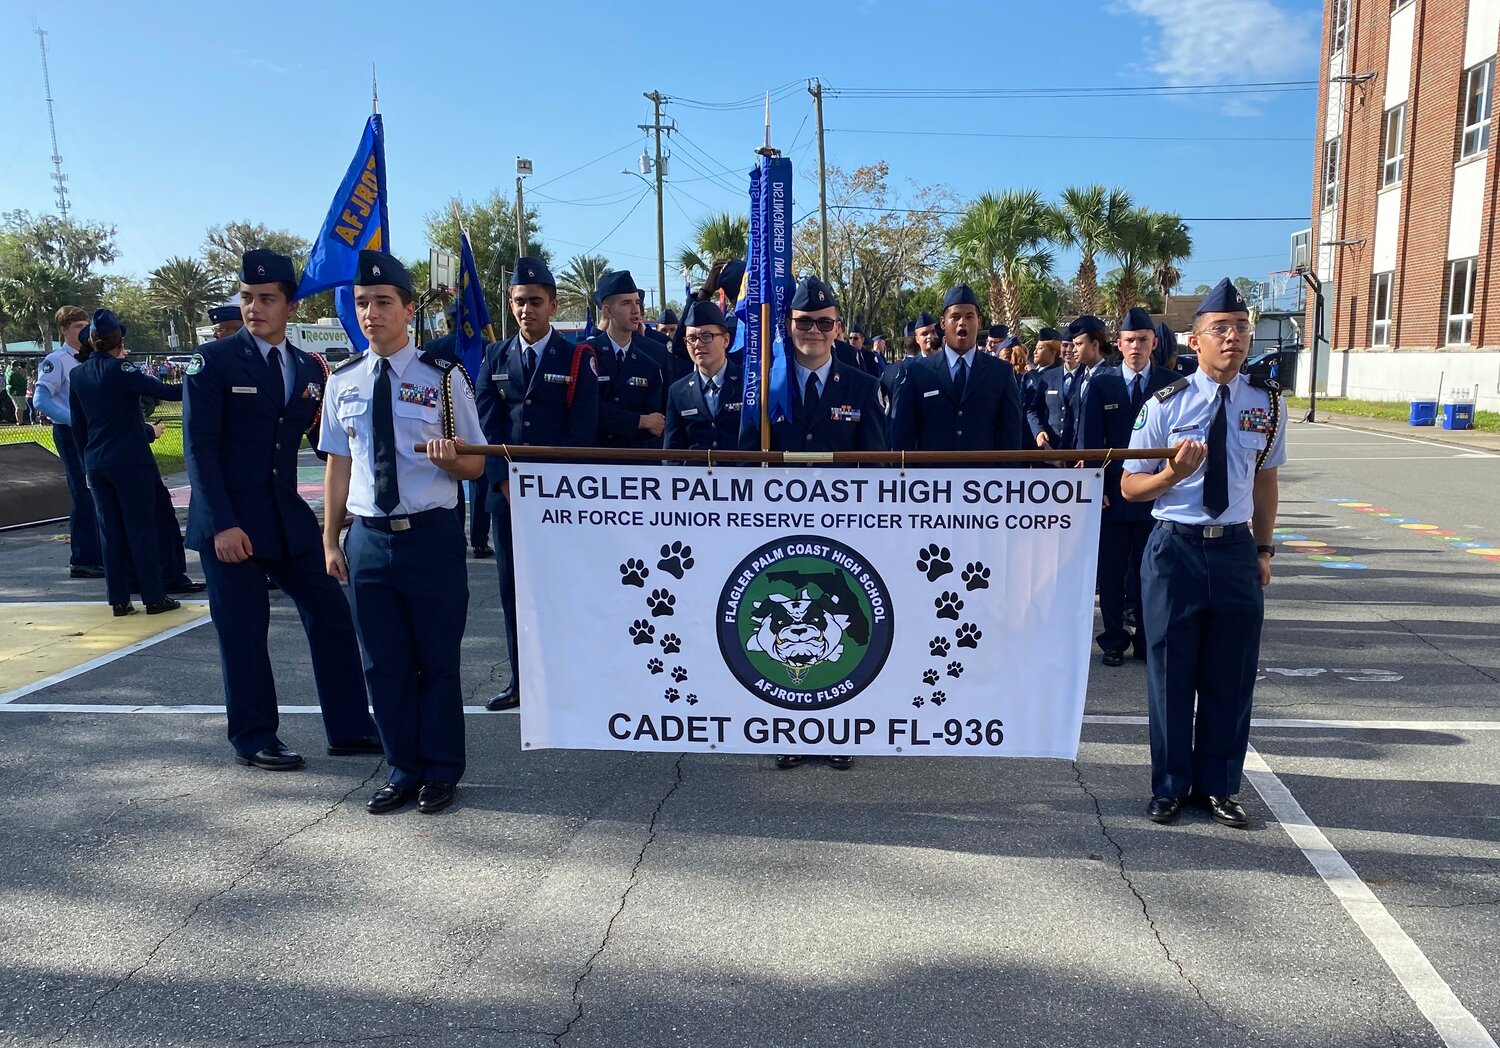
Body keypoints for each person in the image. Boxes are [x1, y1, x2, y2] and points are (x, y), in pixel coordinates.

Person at [184, 249, 379, 772]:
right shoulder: (214, 363)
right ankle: (254, 735)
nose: (253, 308)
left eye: (266, 299)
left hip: (285, 518)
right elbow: (198, 449)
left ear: (289, 306)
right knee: (244, 630)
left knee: (333, 613)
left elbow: (327, 444)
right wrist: (221, 523)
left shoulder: (308, 367)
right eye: (247, 297)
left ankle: (349, 725)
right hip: (229, 523)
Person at [320, 251, 486, 816]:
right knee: (382, 663)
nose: (371, 314)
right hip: (367, 537)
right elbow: (338, 463)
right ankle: (401, 768)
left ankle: (440, 771)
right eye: (362, 304)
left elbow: (476, 463)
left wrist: (451, 462)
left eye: (383, 303)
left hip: (430, 537)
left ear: (409, 310)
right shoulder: (342, 382)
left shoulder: (443, 380)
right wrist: (329, 538)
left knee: (435, 660)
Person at [1122, 279, 1286, 830]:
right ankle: (1169, 786)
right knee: (1170, 672)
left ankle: (1218, 787)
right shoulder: (1165, 404)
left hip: (1235, 550)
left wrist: (1264, 548)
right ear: (1196, 340)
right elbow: (1130, 486)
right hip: (1176, 550)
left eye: (1242, 328)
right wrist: (1173, 473)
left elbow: (1265, 481)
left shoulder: (1266, 402)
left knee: (1231, 676)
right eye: (1221, 329)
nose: (1234, 339)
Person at [743, 276, 884, 772]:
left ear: (838, 328)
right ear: (789, 324)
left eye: (824, 323)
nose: (814, 332)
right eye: (804, 322)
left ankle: (839, 730)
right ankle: (791, 729)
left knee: (838, 635)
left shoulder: (864, 386)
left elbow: (877, 462)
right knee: (785, 635)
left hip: (842, 533)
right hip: (778, 533)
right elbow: (746, 457)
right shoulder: (763, 384)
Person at [474, 257, 600, 712]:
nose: (526, 310)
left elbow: (580, 431)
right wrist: (504, 482)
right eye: (519, 302)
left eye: (535, 302)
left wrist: (550, 488)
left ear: (553, 304)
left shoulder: (577, 357)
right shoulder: (494, 357)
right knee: (513, 590)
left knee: (562, 588)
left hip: (558, 497)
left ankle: (568, 676)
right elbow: (486, 426)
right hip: (508, 498)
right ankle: (520, 679)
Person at [66, 310, 183, 617]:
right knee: (141, 529)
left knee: (110, 531)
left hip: (96, 462)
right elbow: (167, 391)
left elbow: (78, 427)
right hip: (130, 462)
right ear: (119, 340)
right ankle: (154, 596)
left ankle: (118, 598)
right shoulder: (122, 370)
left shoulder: (77, 376)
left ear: (91, 340)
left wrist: (85, 465)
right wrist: (200, 376)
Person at [1081, 307, 1180, 666]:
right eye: (1129, 340)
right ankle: (1112, 640)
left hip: (1157, 493)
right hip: (1112, 496)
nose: (1136, 346)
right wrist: (1096, 486)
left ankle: (1146, 638)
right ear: (1118, 345)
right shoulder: (1101, 384)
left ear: (1153, 343)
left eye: (1142, 339)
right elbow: (1090, 440)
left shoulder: (1171, 383)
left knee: (1150, 572)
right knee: (1110, 571)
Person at [889, 285, 1024, 454]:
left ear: (979, 322)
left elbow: (1011, 433)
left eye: (969, 316)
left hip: (983, 477)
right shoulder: (918, 371)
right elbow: (903, 433)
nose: (962, 322)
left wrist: (1005, 476)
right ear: (943, 323)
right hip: (932, 478)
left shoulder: (1000, 371)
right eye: (955, 317)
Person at [33, 306, 105, 579]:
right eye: (77, 326)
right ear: (63, 330)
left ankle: (102, 553)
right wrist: (73, 419)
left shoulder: (92, 357)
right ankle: (83, 558)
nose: (83, 330)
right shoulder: (57, 360)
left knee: (101, 491)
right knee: (83, 493)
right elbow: (41, 400)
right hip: (71, 432)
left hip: (97, 432)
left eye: (86, 324)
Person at [588, 271, 669, 449]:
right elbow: (588, 413)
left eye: (637, 303)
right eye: (626, 303)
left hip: (634, 464)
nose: (635, 310)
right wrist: (640, 421)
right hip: (594, 462)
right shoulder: (586, 354)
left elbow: (655, 425)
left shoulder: (650, 365)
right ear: (607, 311)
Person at [663, 300, 741, 452]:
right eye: (691, 339)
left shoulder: (750, 383)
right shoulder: (678, 391)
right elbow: (672, 453)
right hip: (695, 474)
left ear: (725, 340)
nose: (697, 344)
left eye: (706, 336)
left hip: (741, 473)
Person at [1024, 328, 1066, 454]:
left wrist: (1032, 373)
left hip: (1046, 438)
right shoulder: (1030, 374)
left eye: (1041, 348)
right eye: (1036, 348)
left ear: (1053, 352)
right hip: (1026, 435)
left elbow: (1041, 389)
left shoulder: (1054, 375)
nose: (1035, 352)